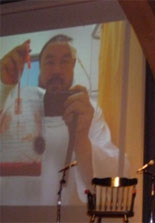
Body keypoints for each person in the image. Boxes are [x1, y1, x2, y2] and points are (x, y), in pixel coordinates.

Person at [0, 34, 125, 206]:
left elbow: (113, 179)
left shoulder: (88, 110)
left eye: (65, 61)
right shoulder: (16, 101)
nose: (57, 70)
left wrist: (81, 140)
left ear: (73, 66)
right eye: (50, 62)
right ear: (40, 67)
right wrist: (3, 88)